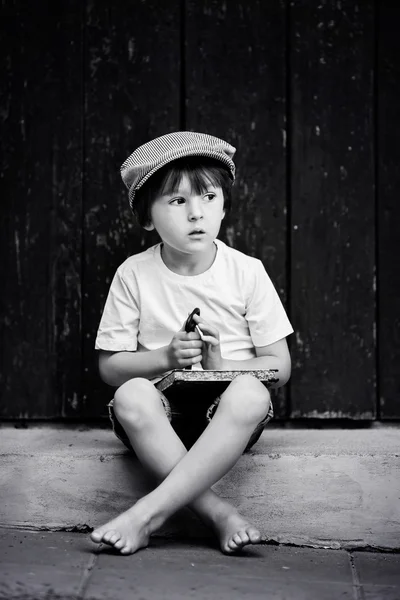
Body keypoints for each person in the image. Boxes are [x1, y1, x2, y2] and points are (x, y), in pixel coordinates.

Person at [90, 131, 293, 555]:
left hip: (227, 421)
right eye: (177, 201)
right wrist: (164, 357)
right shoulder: (134, 273)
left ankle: (145, 515)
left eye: (209, 198)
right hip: (159, 419)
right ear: (147, 217)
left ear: (224, 206)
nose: (196, 213)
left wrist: (223, 367)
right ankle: (217, 513)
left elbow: (280, 366)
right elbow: (109, 368)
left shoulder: (246, 271)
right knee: (130, 395)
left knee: (251, 392)